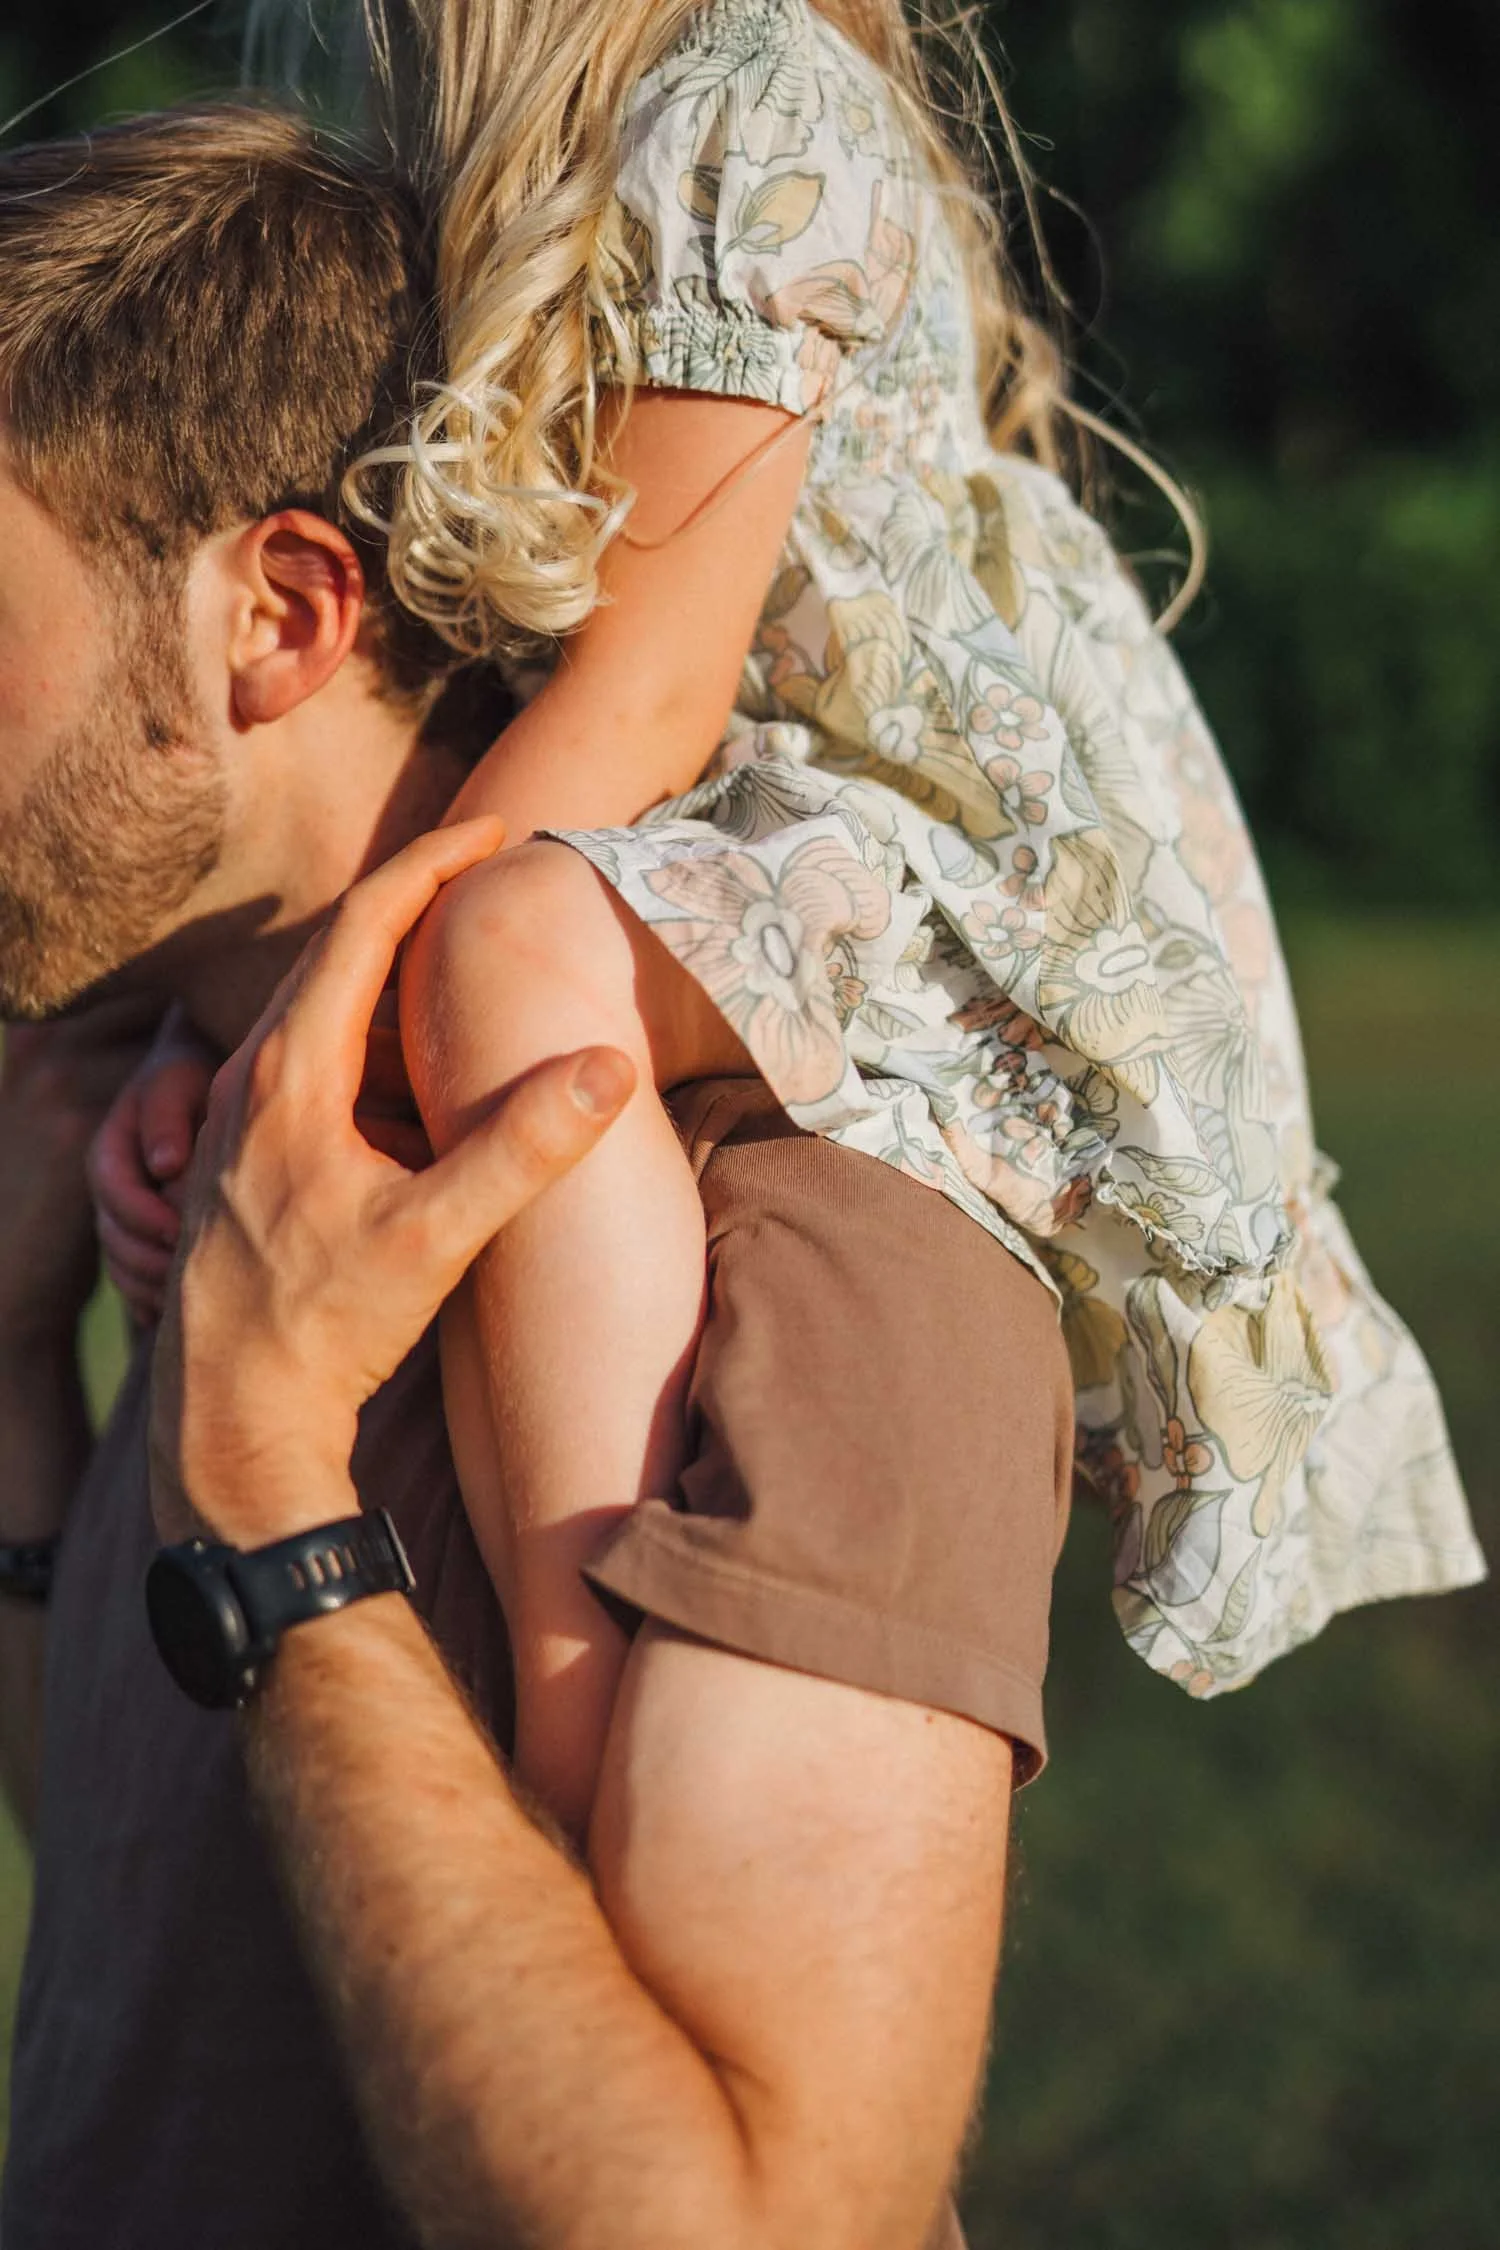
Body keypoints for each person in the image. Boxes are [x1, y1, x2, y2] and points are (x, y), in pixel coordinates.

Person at [104, 0, 1482, 1839]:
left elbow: (650, 705)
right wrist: (207, 1028)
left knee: (512, 955)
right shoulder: (458, 140)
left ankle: (575, 1727)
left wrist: (296, 1054)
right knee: (482, 944)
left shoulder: (745, 99)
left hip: (912, 808)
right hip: (728, 790)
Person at [0, 110, 1073, 2250]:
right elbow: (152, 1917)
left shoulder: (812, 1207)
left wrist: (270, 1468)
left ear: (282, 614)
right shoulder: (187, 1128)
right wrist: (18, 1365)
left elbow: (755, 2230)